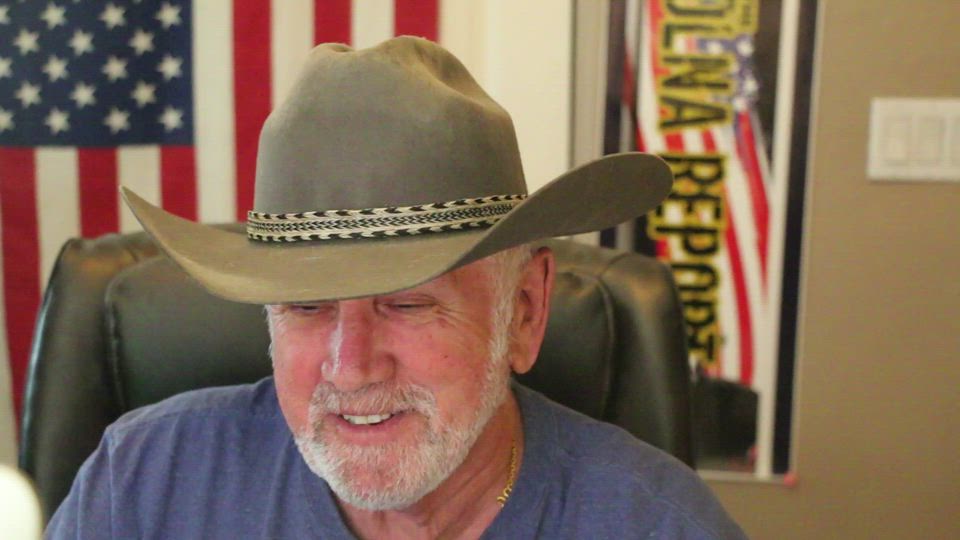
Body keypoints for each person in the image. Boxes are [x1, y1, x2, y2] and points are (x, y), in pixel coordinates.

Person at [46, 37, 746, 539]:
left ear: (525, 312)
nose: (351, 367)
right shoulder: (142, 487)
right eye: (307, 306)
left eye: (408, 303)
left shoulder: (658, 525)